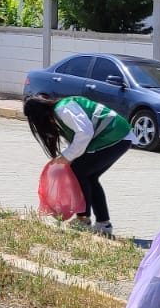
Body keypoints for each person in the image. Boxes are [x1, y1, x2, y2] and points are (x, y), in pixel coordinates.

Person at [23, 94, 131, 238]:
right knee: (89, 176)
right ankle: (103, 224)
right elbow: (80, 137)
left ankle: (83, 219)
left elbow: (85, 133)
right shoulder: (60, 111)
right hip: (118, 137)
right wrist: (70, 156)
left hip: (116, 137)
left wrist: (67, 156)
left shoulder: (63, 109)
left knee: (79, 172)